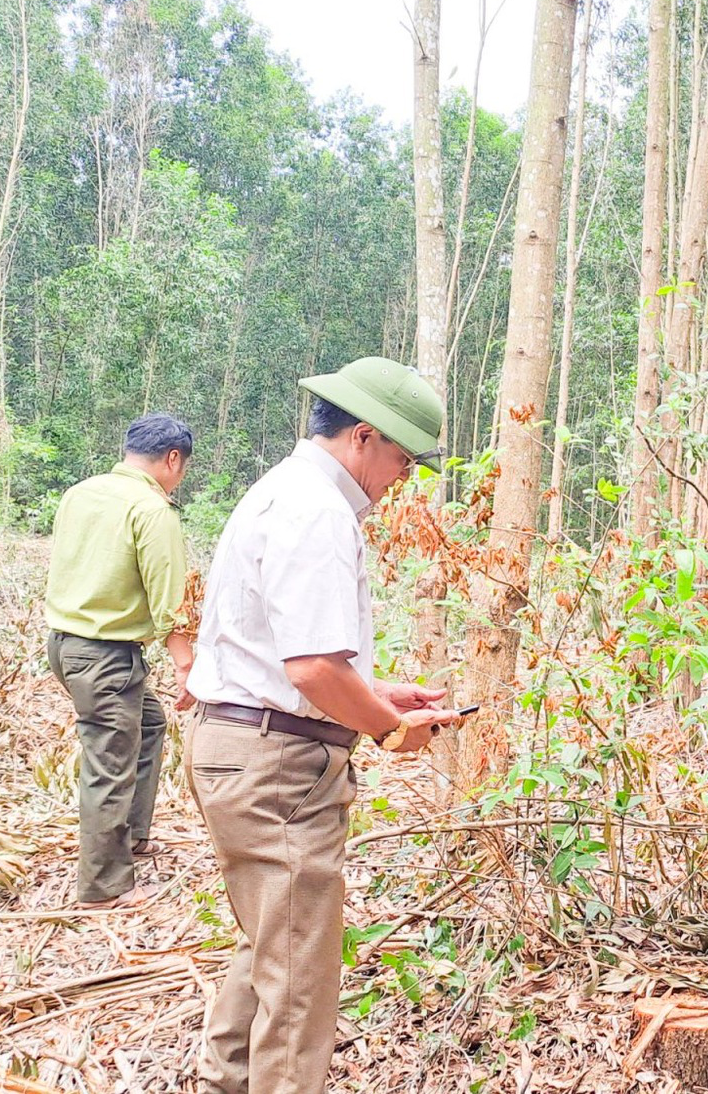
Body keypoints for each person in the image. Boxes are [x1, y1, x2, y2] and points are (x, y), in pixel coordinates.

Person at [185, 356, 466, 1094]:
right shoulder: (317, 510)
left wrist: (378, 693)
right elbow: (311, 670)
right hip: (275, 764)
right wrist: (387, 727)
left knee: (273, 940)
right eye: (401, 459)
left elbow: (292, 661)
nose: (401, 478)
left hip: (251, 743)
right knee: (300, 972)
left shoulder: (288, 491)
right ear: (363, 437)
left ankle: (227, 1080)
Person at [43, 412, 197, 910]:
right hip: (106, 655)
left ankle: (130, 835)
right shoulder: (152, 510)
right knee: (108, 761)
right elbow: (170, 596)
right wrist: (185, 666)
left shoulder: (80, 492)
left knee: (147, 724)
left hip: (65, 646)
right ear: (173, 459)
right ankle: (103, 885)